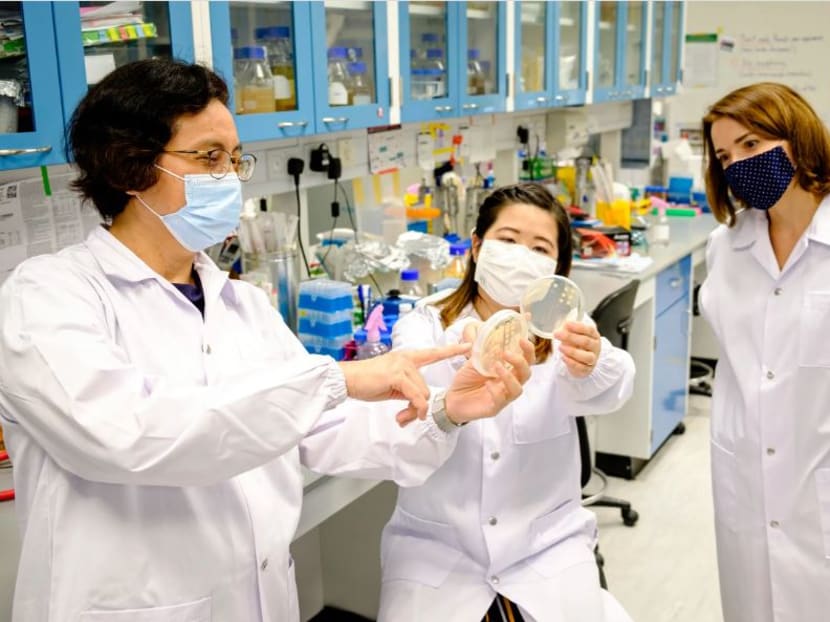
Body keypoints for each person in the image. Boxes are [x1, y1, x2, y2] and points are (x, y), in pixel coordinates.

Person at [0, 59, 534, 622]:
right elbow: (130, 434)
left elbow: (325, 429)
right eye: (209, 158)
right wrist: (338, 378)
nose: (230, 177)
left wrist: (449, 410)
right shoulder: (47, 296)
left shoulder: (242, 304)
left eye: (234, 159)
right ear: (130, 167)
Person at [377, 183, 636, 622]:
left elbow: (615, 386)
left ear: (556, 267)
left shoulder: (564, 333)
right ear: (477, 246)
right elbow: (408, 406)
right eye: (508, 240)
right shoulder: (425, 324)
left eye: (539, 248)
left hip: (547, 552)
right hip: (438, 555)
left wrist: (591, 362)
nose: (521, 255)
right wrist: (463, 369)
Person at [699, 82, 830, 622]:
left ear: (796, 138)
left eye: (752, 144)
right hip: (746, 476)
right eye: (726, 156)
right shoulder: (725, 247)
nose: (739, 166)